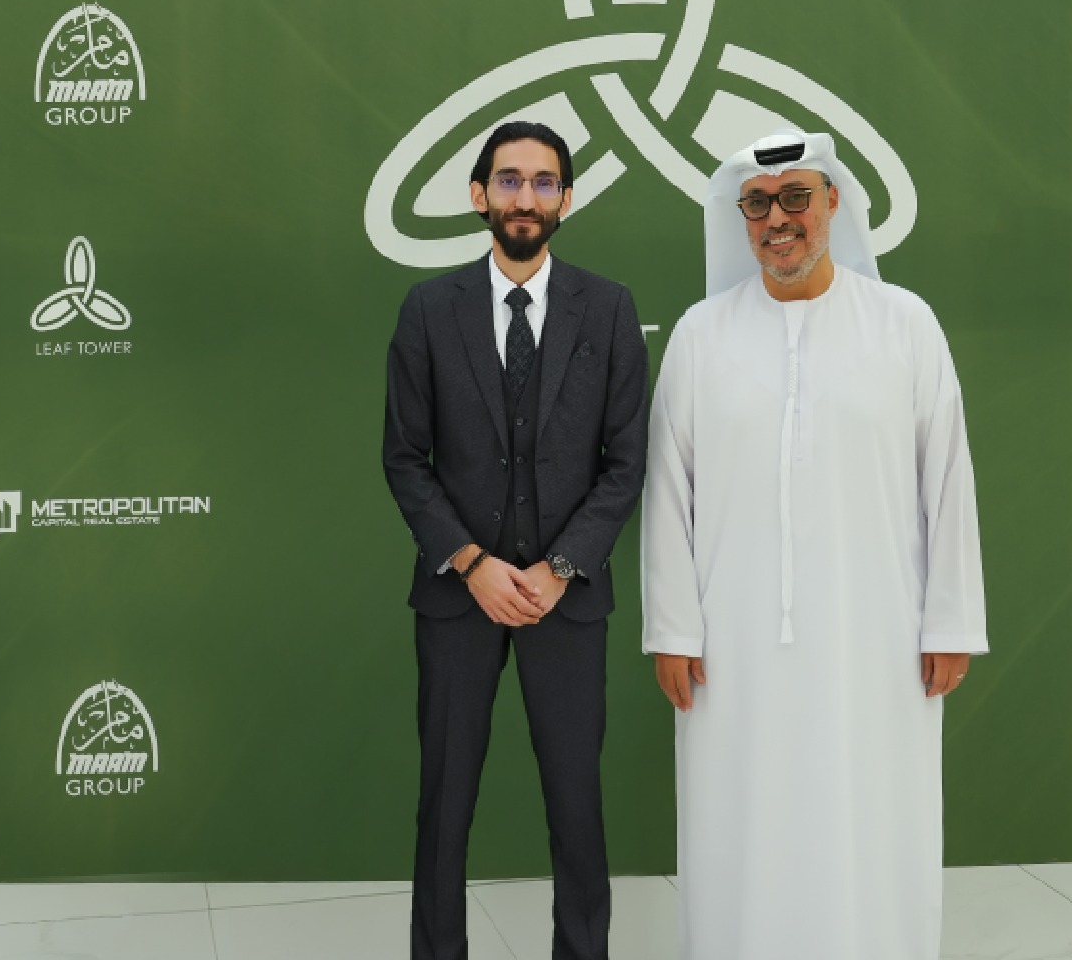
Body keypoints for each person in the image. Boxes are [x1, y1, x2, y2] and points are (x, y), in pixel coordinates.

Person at [640, 130, 988, 959]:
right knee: (740, 831)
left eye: (797, 197)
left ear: (834, 203)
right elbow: (667, 495)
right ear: (742, 220)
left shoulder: (904, 325)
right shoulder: (700, 335)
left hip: (879, 645)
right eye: (758, 204)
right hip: (731, 652)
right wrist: (672, 631)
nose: (778, 219)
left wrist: (950, 621)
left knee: (871, 828)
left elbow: (947, 477)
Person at [383, 121, 649, 960]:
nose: (525, 196)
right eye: (508, 180)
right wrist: (471, 563)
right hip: (457, 600)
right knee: (445, 802)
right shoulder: (429, 310)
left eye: (542, 182)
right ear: (478, 195)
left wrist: (561, 567)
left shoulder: (607, 309)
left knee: (576, 802)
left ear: (566, 199)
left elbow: (625, 461)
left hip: (566, 602)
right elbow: (404, 459)